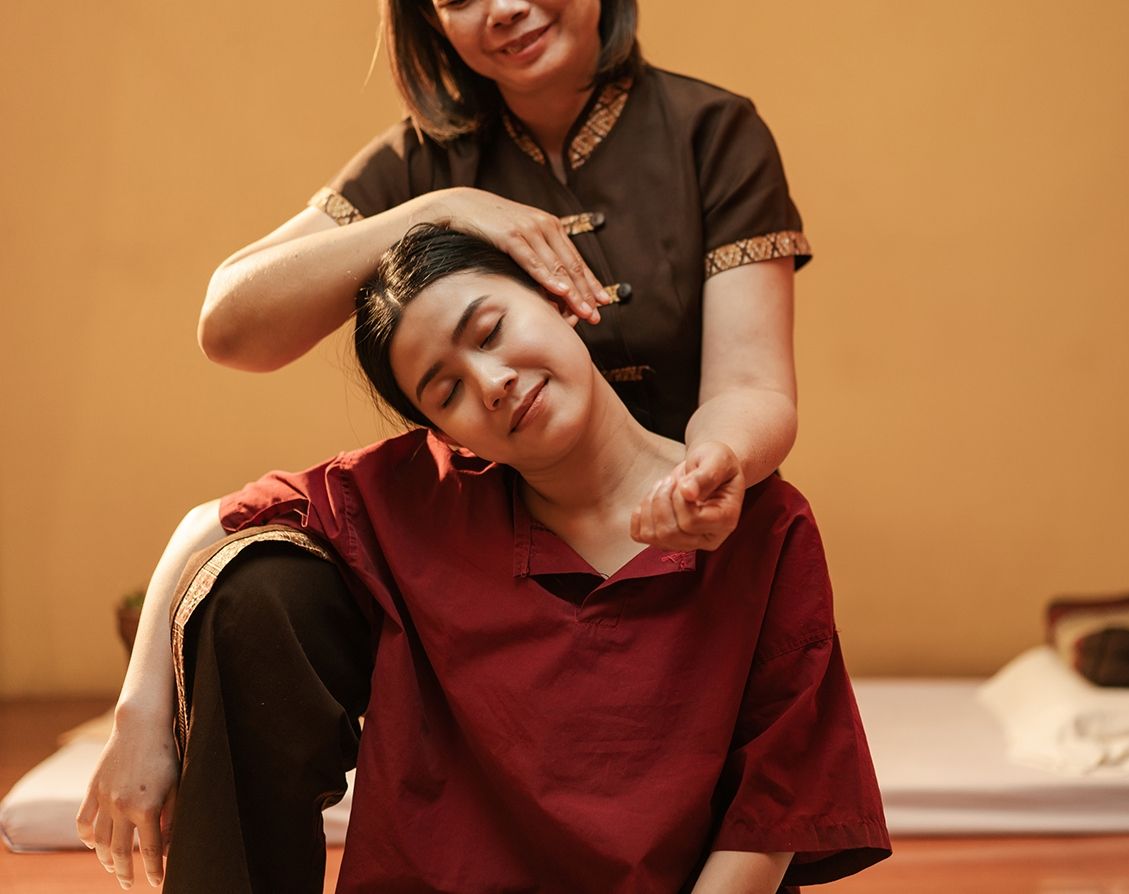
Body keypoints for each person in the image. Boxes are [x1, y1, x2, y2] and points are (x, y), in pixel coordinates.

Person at [79, 1, 812, 889]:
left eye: (494, 330)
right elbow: (230, 326)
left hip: (679, 557)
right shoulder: (419, 162)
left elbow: (750, 384)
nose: (504, 8)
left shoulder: (710, 133)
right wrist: (436, 208)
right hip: (473, 562)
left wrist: (712, 469)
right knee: (257, 591)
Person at [115, 226, 892, 892]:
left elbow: (771, 810)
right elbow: (209, 524)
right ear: (443, 431)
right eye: (445, 391)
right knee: (253, 582)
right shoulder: (423, 496)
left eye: (489, 331)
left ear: (561, 299)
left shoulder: (762, 524)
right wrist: (140, 720)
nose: (490, 384)